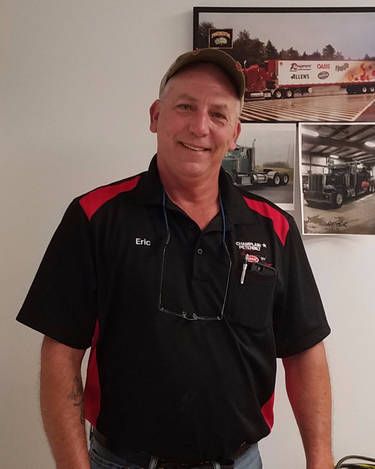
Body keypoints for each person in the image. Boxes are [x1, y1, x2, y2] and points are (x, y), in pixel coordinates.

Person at [17, 48, 333, 469]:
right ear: (155, 116)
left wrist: (321, 459)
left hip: (240, 461)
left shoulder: (273, 228)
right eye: (185, 107)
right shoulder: (95, 217)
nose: (200, 127)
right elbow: (60, 353)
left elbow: (304, 350)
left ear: (234, 133)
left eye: (218, 115)